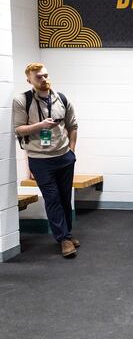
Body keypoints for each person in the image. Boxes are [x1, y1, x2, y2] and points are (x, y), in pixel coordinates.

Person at [13, 63, 79, 257]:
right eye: (38, 77)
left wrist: (72, 151)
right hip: (40, 159)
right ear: (29, 80)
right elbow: (18, 129)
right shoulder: (22, 100)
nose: (44, 80)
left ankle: (66, 233)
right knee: (52, 198)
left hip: (64, 157)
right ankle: (64, 239)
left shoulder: (62, 99)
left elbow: (73, 125)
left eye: (45, 75)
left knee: (65, 197)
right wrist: (40, 125)